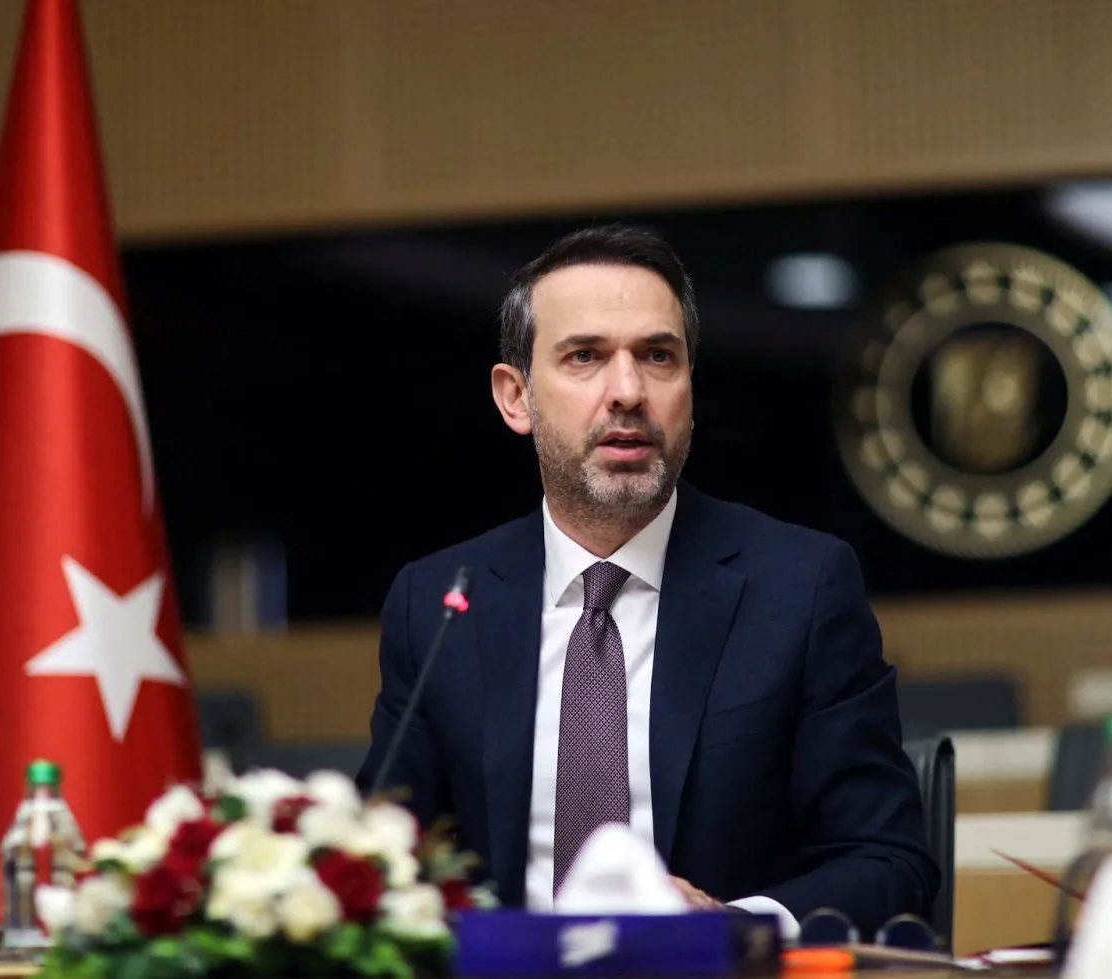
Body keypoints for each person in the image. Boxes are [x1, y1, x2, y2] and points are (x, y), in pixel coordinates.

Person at [356, 225, 938, 937]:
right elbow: (378, 864)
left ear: (691, 386)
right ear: (515, 397)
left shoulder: (801, 588)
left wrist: (730, 926)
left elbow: (887, 862)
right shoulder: (440, 603)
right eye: (585, 356)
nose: (628, 391)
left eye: (658, 356)